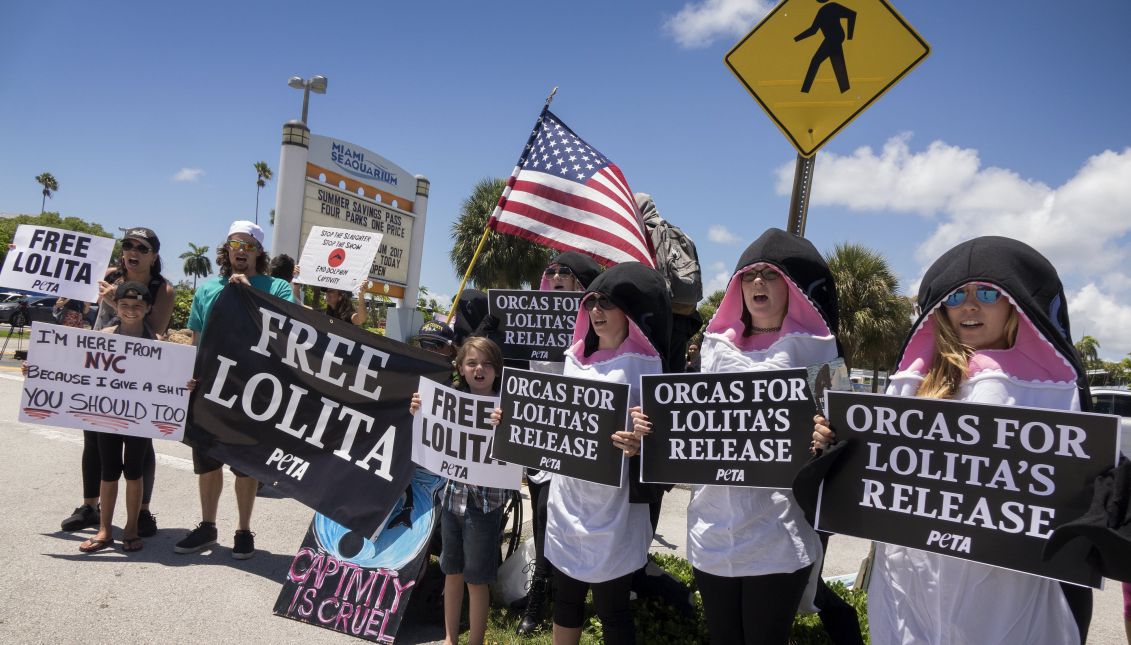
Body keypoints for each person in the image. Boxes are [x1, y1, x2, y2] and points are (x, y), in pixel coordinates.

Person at [813, 236, 1093, 645]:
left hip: (1004, 594)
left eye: (987, 293)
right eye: (956, 295)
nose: (969, 305)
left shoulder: (1053, 391)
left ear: (1015, 303)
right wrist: (831, 448)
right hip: (911, 582)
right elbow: (865, 479)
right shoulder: (910, 385)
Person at [632, 228, 844, 645]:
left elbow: (845, 437)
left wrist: (828, 438)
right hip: (713, 530)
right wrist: (647, 431)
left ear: (791, 288)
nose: (758, 283)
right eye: (749, 275)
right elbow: (683, 425)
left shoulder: (820, 350)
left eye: (769, 274)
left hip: (779, 534)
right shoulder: (712, 349)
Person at [496, 262, 669, 645]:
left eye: (607, 304)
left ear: (628, 311)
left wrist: (643, 439)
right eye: (591, 303)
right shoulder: (573, 359)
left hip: (616, 509)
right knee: (567, 602)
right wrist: (510, 420)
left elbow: (664, 442)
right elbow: (551, 418)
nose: (596, 312)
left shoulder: (648, 365)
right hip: (569, 501)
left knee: (613, 611)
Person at [175, 220, 296, 559]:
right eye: (235, 244)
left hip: (252, 390)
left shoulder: (277, 288)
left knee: (246, 464)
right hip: (209, 388)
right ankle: (207, 526)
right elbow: (197, 339)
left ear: (260, 252)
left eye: (249, 246)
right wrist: (190, 374)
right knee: (207, 461)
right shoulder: (208, 287)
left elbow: (288, 333)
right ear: (226, 248)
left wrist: (250, 294)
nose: (241, 251)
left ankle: (244, 530)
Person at [60, 226, 173, 537]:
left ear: (154, 256)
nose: (133, 252)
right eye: (128, 245)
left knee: (141, 443)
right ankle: (89, 506)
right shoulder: (109, 274)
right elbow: (64, 274)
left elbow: (154, 331)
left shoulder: (161, 288)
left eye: (141, 247)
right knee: (93, 439)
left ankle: (142, 512)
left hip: (138, 378)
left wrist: (113, 302)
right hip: (100, 369)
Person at [410, 337, 508, 645]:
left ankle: (475, 640)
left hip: (486, 506)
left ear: (497, 370)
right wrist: (419, 411)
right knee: (451, 573)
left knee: (477, 580)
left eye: (487, 364)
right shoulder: (447, 401)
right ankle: (450, 638)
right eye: (472, 363)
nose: (480, 369)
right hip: (452, 500)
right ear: (461, 369)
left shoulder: (505, 407)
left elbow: (514, 454)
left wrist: (506, 426)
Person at [74, 282, 159, 553]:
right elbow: (73, 370)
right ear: (116, 306)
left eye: (137, 306)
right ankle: (105, 529)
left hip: (139, 417)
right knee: (108, 469)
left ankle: (131, 528)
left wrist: (186, 384)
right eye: (124, 305)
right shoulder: (104, 336)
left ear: (147, 309)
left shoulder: (157, 344)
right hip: (106, 414)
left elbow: (170, 379)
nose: (130, 311)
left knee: (134, 471)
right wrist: (38, 370)